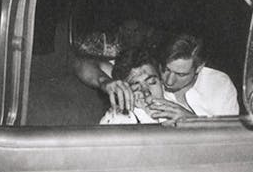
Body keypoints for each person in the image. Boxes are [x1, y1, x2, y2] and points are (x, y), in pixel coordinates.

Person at [73, 32, 239, 119]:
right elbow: (81, 63)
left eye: (180, 74)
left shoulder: (220, 85)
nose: (168, 81)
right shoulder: (148, 70)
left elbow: (233, 142)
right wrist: (105, 82)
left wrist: (191, 121)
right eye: (166, 69)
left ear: (199, 67)